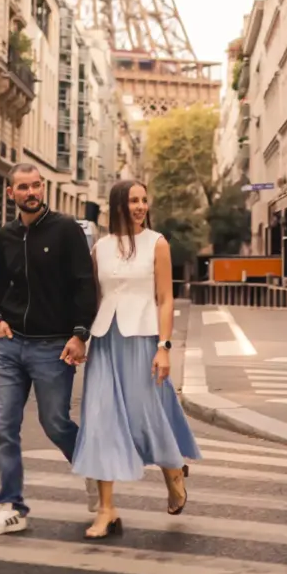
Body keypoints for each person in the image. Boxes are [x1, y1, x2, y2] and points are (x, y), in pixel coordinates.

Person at [71, 179, 201, 540]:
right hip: (106, 342)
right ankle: (106, 510)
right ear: (118, 205)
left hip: (143, 341)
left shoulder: (157, 244)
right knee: (100, 421)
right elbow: (94, 298)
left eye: (144, 200)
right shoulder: (101, 248)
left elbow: (164, 298)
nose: (141, 206)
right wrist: (80, 336)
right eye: (133, 200)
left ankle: (173, 470)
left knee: (148, 417)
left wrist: (164, 346)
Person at [0, 163, 98, 536]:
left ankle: (95, 472)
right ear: (10, 193)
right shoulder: (7, 236)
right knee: (4, 428)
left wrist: (79, 335)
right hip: (11, 346)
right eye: (23, 187)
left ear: (42, 188)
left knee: (55, 422)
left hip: (52, 346)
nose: (31, 192)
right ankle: (12, 506)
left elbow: (84, 285)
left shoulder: (66, 231)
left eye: (36, 186)